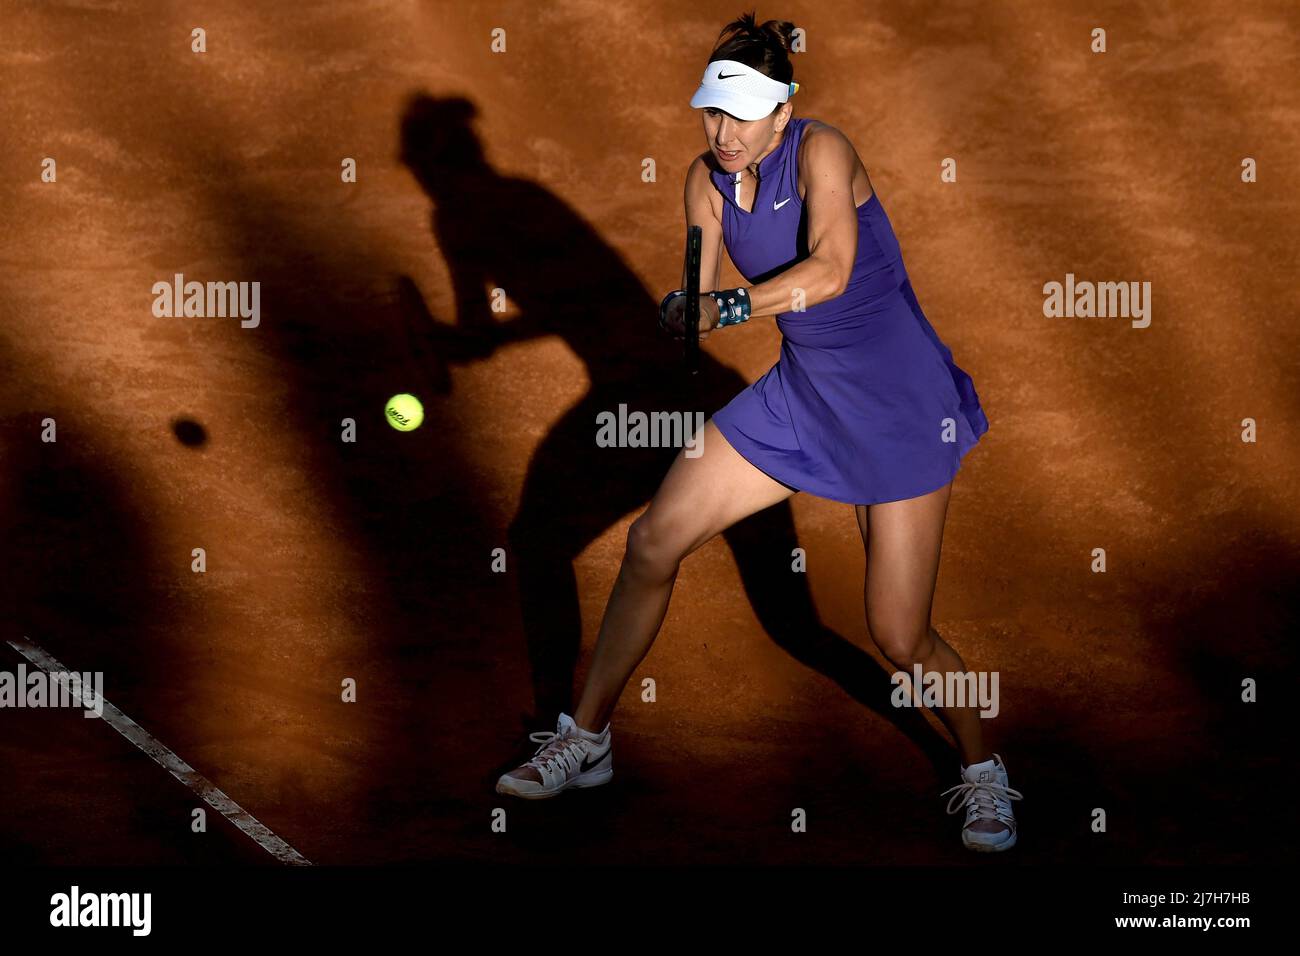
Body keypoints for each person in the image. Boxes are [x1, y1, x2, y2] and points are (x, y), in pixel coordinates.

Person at [496, 12, 1022, 852]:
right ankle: (585, 736)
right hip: (799, 399)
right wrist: (684, 316)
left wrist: (728, 306)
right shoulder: (702, 181)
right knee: (652, 542)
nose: (724, 132)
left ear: (784, 112)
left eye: (743, 115)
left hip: (899, 405)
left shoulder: (824, 151)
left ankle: (983, 774)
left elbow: (832, 269)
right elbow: (697, 297)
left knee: (896, 631)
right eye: (712, 112)